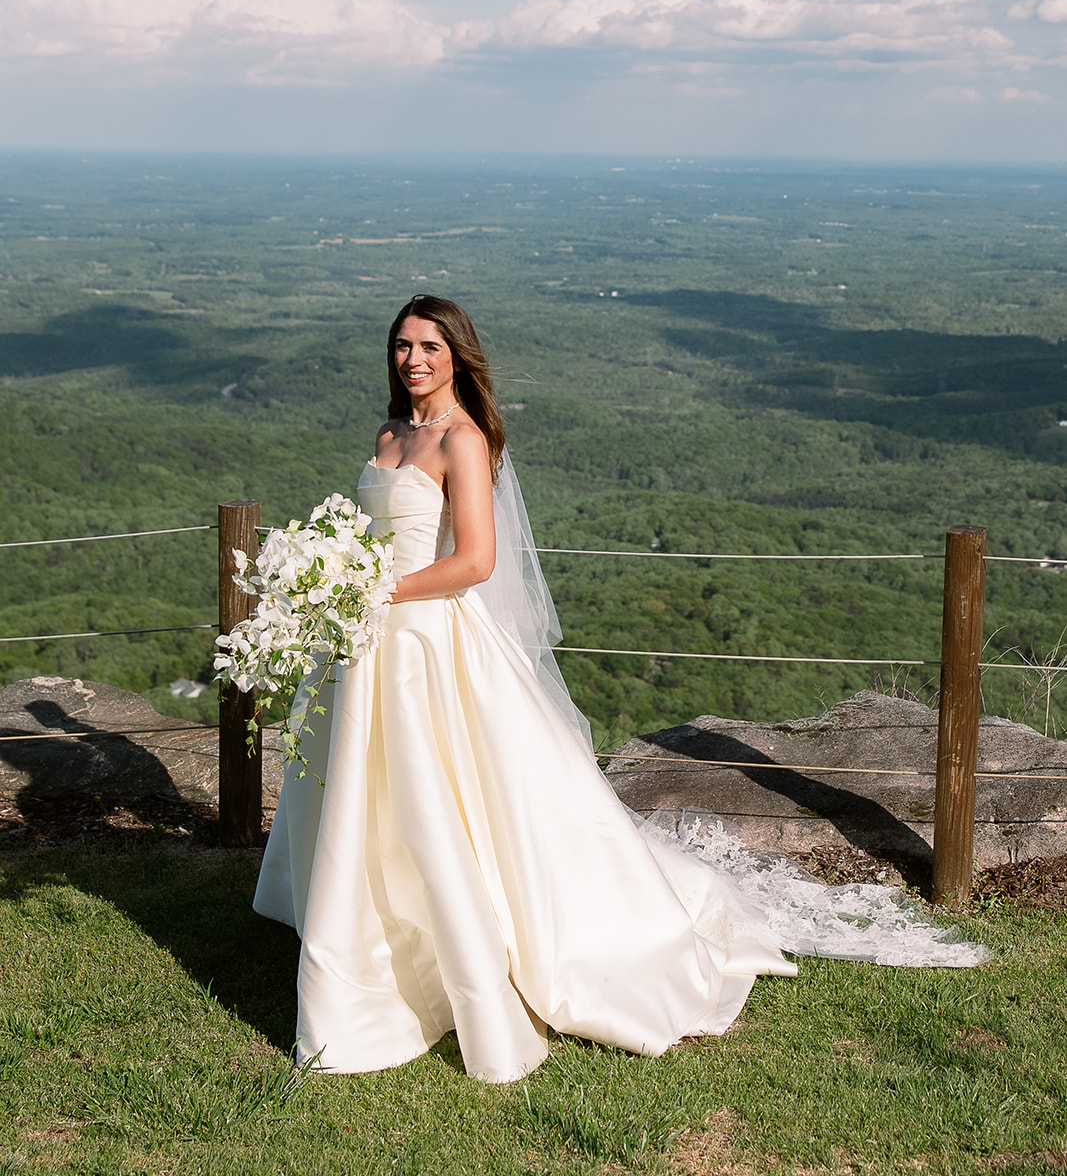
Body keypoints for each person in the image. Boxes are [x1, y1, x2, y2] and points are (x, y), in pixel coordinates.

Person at [253, 295, 985, 1085]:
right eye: (402, 345)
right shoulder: (390, 434)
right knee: (368, 796)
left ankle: (464, 956)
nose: (413, 359)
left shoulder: (463, 440)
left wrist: (377, 592)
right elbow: (376, 535)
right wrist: (338, 578)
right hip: (368, 637)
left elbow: (475, 563)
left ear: (458, 354)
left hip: (424, 636)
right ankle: (369, 934)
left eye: (429, 344)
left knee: (441, 801)